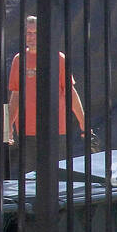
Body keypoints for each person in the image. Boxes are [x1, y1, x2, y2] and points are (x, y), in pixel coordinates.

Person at [6, 15, 86, 175]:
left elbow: (71, 93)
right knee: (30, 178)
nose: (32, 37)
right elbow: (15, 96)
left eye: (35, 33)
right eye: (28, 33)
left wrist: (83, 121)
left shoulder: (59, 58)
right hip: (27, 130)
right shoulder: (18, 60)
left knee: (57, 176)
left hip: (55, 129)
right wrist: (6, 127)